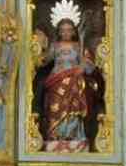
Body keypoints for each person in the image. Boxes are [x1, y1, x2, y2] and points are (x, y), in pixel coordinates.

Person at [33, 18, 104, 153]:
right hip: (56, 80)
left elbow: (87, 64)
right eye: (63, 30)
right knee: (55, 106)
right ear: (59, 32)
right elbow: (43, 61)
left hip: (73, 80)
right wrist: (38, 48)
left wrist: (82, 65)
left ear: (73, 32)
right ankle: (55, 135)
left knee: (73, 107)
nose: (66, 33)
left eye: (69, 30)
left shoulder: (78, 46)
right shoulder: (54, 46)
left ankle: (74, 135)